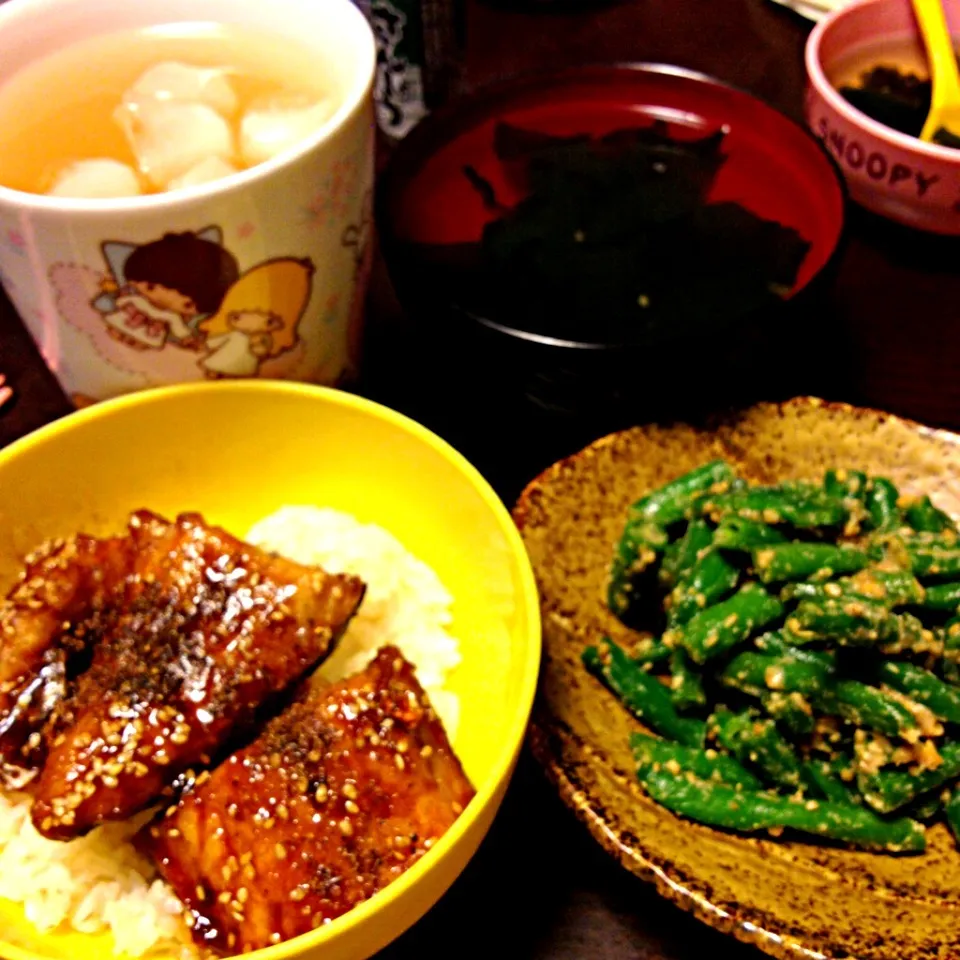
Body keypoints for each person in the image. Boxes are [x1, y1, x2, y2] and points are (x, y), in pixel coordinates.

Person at [98, 231, 239, 351]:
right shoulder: (136, 299)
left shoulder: (173, 318)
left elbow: (180, 330)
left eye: (188, 305)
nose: (163, 299)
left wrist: (188, 339)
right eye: (151, 287)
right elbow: (120, 301)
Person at [198, 258, 314, 378]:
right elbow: (218, 341)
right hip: (222, 359)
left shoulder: (263, 338)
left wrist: (259, 347)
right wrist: (206, 344)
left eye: (269, 321)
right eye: (237, 317)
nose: (248, 323)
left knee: (240, 373)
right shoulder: (235, 334)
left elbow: (262, 350)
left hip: (252, 370)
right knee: (217, 364)